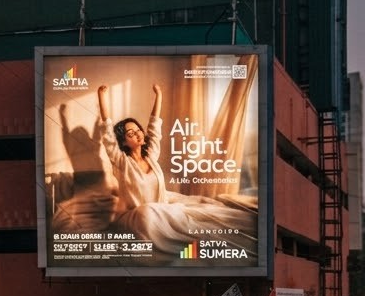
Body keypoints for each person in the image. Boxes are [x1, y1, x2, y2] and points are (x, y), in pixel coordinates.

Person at [96, 83, 256, 258]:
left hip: (163, 207)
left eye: (138, 130)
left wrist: (159, 96)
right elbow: (107, 135)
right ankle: (175, 242)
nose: (138, 134)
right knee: (147, 212)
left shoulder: (150, 156)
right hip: (137, 217)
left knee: (206, 211)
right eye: (131, 133)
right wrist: (101, 97)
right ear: (124, 142)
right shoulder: (122, 162)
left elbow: (154, 128)